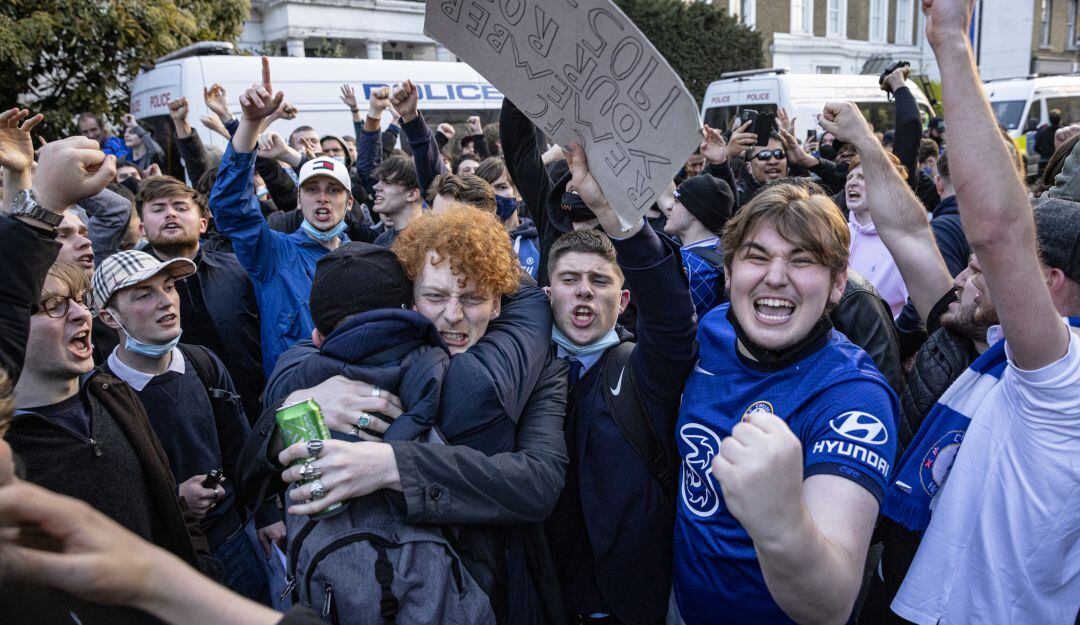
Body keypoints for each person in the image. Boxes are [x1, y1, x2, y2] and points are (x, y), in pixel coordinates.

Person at [824, 9, 1080, 617]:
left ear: (1045, 283)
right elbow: (910, 233)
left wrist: (949, 42)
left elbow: (994, 230)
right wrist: (865, 140)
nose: (961, 273)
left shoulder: (1061, 382)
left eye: (983, 270)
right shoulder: (983, 340)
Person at [1, 136, 214, 624]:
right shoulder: (12, 448)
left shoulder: (110, 393)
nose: (82, 317)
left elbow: (169, 510)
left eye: (79, 301)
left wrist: (199, 571)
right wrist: (36, 195)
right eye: (55, 307)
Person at [673, 181, 899, 625]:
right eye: (757, 257)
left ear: (837, 285)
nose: (775, 276)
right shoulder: (715, 328)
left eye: (802, 260)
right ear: (728, 274)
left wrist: (780, 523)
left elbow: (830, 604)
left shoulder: (855, 399)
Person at [543, 144, 697, 625]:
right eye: (570, 279)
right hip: (541, 593)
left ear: (624, 298)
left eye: (599, 281)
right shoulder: (521, 366)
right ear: (548, 295)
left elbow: (672, 317)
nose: (584, 289)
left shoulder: (642, 369)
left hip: (626, 602)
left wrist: (614, 216)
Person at [90, 250, 284, 603]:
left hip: (232, 544)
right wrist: (174, 501)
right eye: (144, 294)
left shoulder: (203, 363)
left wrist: (267, 512)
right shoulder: (100, 395)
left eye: (169, 287)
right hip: (164, 562)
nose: (166, 302)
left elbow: (242, 447)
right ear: (109, 316)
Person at [208, 57, 352, 373]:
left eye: (334, 190)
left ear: (350, 201)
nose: (323, 198)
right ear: (298, 199)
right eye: (312, 189)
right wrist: (248, 123)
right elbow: (232, 209)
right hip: (296, 399)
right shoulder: (274, 254)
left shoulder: (363, 260)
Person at [137, 175, 265, 422]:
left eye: (181, 207)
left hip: (249, 406)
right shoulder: (130, 286)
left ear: (203, 224)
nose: (170, 214)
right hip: (170, 416)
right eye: (158, 208)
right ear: (142, 228)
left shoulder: (239, 270)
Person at [662, 169, 734, 319]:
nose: (669, 206)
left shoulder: (685, 265)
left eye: (676, 200)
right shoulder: (727, 252)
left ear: (695, 211)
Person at [846, 154, 910, 317]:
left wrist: (888, 336)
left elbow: (916, 310)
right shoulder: (837, 233)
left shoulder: (903, 243)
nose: (852, 183)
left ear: (886, 186)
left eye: (862, 177)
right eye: (849, 177)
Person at [475, 156, 541, 280]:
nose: (493, 195)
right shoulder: (473, 242)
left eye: (501, 187)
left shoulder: (540, 241)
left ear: (518, 193)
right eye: (485, 190)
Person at [1035, 107, 1062, 174]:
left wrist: (1044, 154)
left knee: (1041, 182)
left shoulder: (1043, 132)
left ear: (1049, 120)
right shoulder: (1063, 133)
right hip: (1058, 162)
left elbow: (1036, 147)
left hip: (1044, 161)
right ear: (1060, 119)